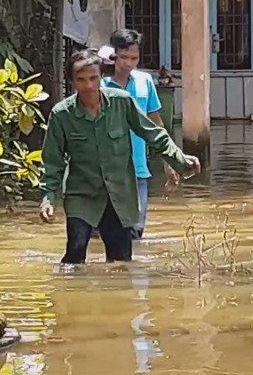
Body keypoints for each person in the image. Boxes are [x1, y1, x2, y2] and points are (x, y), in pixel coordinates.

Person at [39, 49, 200, 264]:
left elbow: (152, 133)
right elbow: (52, 160)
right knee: (75, 254)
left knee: (121, 261)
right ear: (72, 82)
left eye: (93, 78)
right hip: (82, 195)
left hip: (119, 196)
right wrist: (48, 197)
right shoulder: (62, 115)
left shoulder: (122, 103)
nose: (88, 86)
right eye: (81, 80)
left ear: (101, 78)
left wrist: (179, 160)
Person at [92, 29, 178, 241]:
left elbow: (156, 124)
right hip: (105, 173)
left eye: (134, 58)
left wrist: (169, 162)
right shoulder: (98, 85)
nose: (128, 63)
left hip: (138, 170)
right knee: (99, 236)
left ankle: (126, 274)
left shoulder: (145, 82)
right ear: (113, 55)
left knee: (135, 233)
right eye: (124, 57)